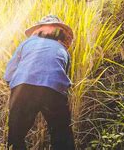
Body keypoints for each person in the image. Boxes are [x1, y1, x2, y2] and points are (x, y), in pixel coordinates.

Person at [4, 15, 75, 150]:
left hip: (23, 88)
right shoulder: (63, 50)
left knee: (16, 135)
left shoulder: (26, 44)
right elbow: (64, 78)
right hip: (53, 90)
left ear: (39, 30)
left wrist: (14, 89)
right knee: (62, 134)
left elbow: (9, 73)